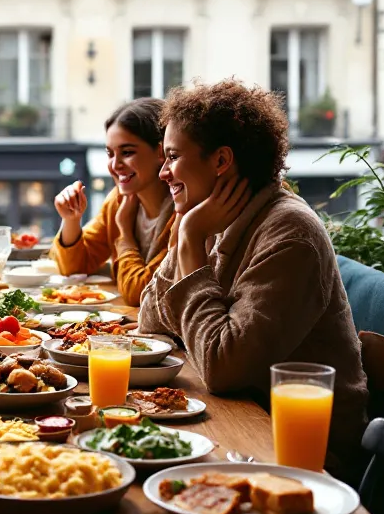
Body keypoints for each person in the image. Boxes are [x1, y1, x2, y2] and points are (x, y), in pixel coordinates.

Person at [139, 78, 368, 476]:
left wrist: (190, 240)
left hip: (302, 455)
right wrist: (186, 238)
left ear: (221, 161)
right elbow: (149, 323)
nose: (163, 172)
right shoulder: (215, 216)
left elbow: (223, 367)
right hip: (243, 423)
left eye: (173, 156)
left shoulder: (290, 233)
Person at [50, 99, 175, 304]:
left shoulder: (182, 211)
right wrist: (71, 220)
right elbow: (73, 269)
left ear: (161, 153)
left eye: (127, 152)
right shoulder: (118, 201)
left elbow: (140, 294)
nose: (115, 165)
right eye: (110, 153)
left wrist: (124, 235)